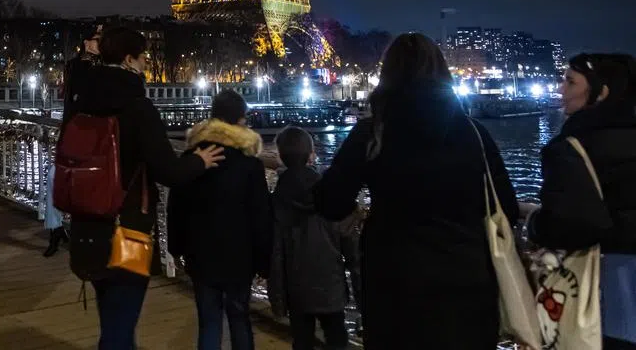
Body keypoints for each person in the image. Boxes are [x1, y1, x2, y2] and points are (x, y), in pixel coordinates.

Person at [312, 32, 518, 349]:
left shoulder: (372, 132)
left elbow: (330, 202)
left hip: (395, 284)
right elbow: (508, 209)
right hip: (467, 282)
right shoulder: (475, 134)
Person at [68, 25, 225, 350]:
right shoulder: (138, 108)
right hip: (128, 229)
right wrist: (200, 161)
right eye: (143, 58)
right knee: (121, 322)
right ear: (128, 60)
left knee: (111, 316)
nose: (145, 64)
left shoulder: (82, 101)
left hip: (87, 223)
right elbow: (168, 170)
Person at [523, 54, 636, 349]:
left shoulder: (571, 148)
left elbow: (571, 225)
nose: (561, 90)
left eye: (570, 81)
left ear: (602, 92)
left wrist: (535, 223)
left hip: (606, 288)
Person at [167, 89, 272, 350]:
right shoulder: (250, 165)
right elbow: (261, 216)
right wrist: (264, 261)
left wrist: (176, 247)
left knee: (209, 321)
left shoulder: (193, 158)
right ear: (240, 121)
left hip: (200, 253)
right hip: (240, 256)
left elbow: (176, 206)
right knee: (239, 318)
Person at [268, 126, 358, 350]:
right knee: (337, 336)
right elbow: (352, 249)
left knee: (302, 339)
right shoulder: (331, 196)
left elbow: (275, 253)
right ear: (312, 155)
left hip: (296, 287)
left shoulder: (277, 200)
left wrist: (277, 296)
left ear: (280, 157)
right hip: (331, 284)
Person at [44, 24, 104, 258]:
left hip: (77, 133)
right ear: (87, 43)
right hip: (84, 134)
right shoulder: (87, 68)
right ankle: (63, 230)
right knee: (60, 179)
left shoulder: (78, 66)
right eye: (98, 40)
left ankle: (57, 229)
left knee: (57, 178)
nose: (101, 44)